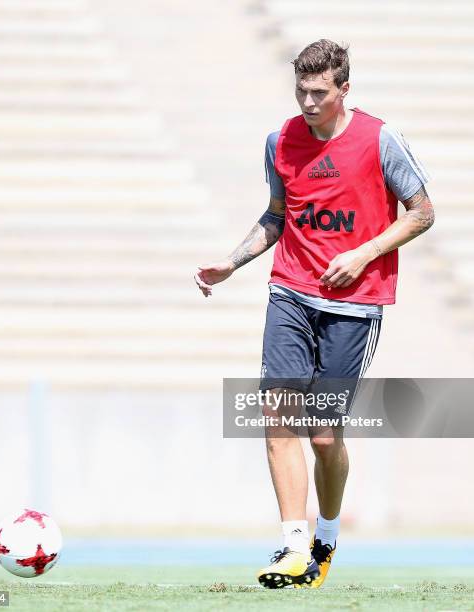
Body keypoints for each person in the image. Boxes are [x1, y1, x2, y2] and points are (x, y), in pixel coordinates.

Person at [194, 39, 434, 589]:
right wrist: (232, 263)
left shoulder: (380, 139)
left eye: (319, 92)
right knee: (277, 414)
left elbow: (422, 213)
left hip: (355, 304)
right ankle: (293, 547)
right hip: (291, 292)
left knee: (324, 435)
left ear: (343, 89)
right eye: (301, 90)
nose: (307, 101)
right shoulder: (280, 141)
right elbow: (277, 215)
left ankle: (326, 536)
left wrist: (363, 252)